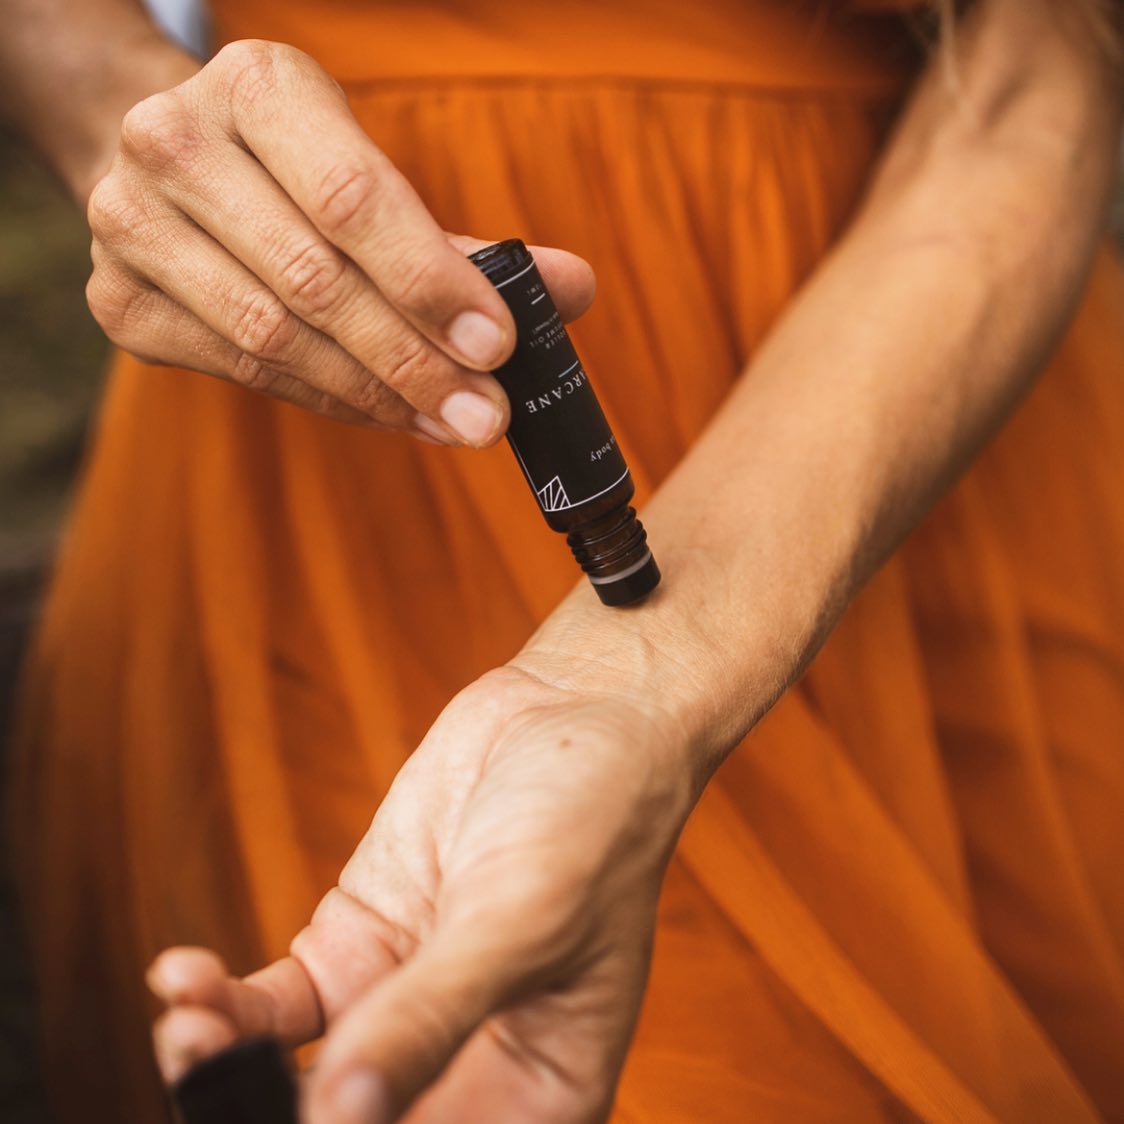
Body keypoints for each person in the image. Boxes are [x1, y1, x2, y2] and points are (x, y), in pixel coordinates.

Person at [3, 0, 1124, 1120]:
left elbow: (1033, 88)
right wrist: (129, 121)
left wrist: (642, 674)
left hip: (907, 381)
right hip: (339, 459)